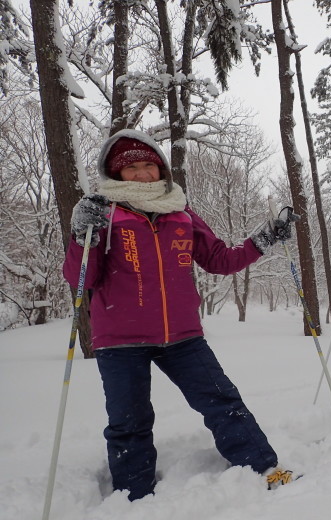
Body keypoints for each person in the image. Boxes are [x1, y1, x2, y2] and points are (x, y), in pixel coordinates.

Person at [63, 129, 297, 500]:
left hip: (183, 337)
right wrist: (81, 236)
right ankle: (133, 495)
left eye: (148, 166)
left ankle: (263, 468)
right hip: (120, 339)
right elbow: (82, 278)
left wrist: (262, 240)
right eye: (132, 168)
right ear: (116, 174)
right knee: (129, 422)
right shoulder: (101, 212)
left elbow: (221, 259)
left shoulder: (181, 212)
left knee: (223, 401)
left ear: (161, 170)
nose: (142, 174)